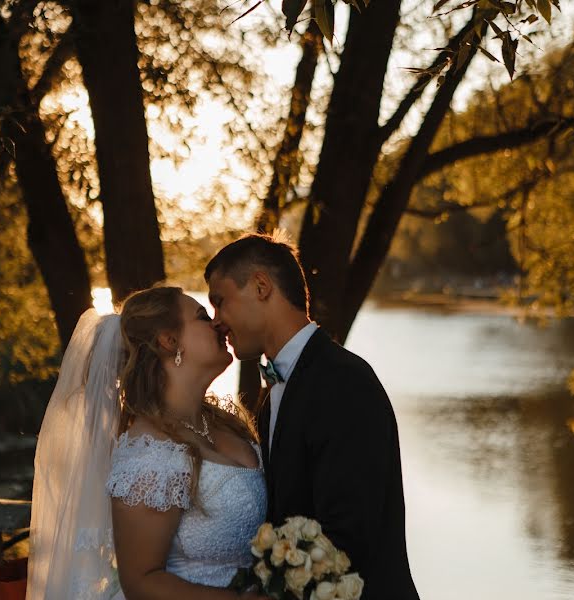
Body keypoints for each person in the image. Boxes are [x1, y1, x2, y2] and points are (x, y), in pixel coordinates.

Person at [205, 233, 420, 600]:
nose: (216, 321)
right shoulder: (275, 394)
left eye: (220, 302)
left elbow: (349, 535)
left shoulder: (344, 381)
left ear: (260, 286)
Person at [26, 286, 269, 600]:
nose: (218, 324)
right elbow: (141, 582)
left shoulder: (225, 424)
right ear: (169, 341)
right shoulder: (149, 456)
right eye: (202, 317)